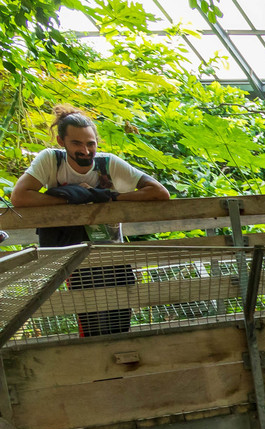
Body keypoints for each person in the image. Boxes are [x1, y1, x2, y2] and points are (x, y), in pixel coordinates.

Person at [11, 107, 171, 336]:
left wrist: (111, 197)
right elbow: (19, 196)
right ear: (61, 141)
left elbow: (159, 192)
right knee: (91, 317)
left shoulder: (108, 164)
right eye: (77, 144)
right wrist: (69, 199)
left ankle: (121, 361)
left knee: (120, 314)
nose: (85, 151)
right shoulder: (51, 160)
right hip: (73, 253)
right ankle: (99, 364)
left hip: (111, 251)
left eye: (91, 143)